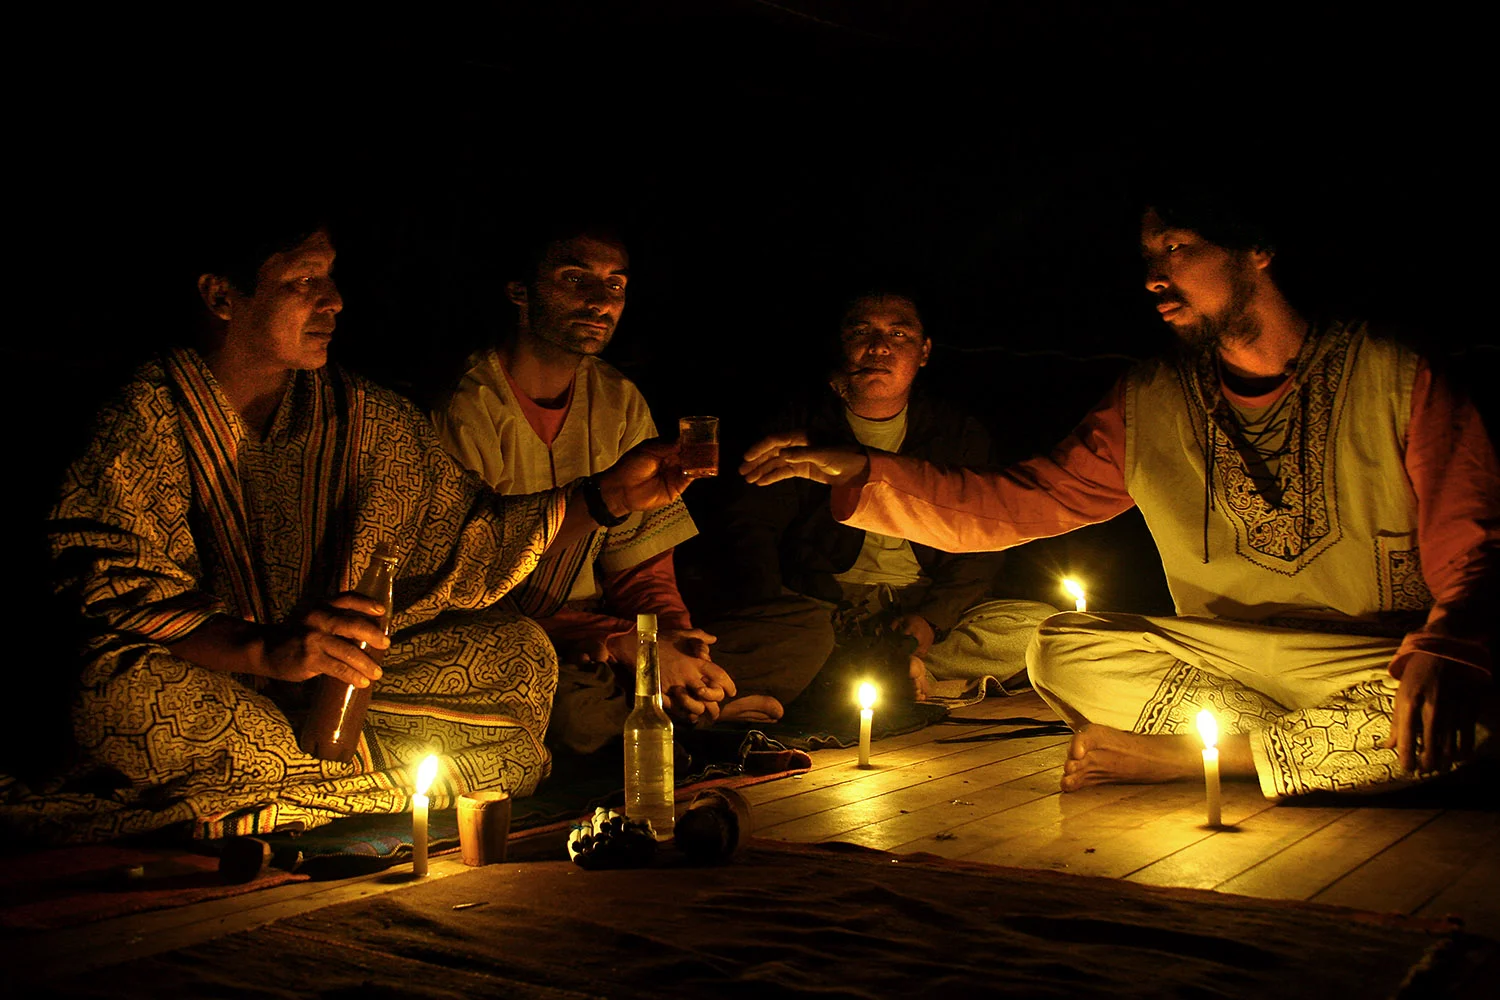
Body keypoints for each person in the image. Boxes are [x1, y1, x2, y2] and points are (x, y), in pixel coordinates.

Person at [742, 191, 1498, 798]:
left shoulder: (1396, 374)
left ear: (1255, 251)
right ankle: (1334, 746)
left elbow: (1475, 544)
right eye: (1147, 257)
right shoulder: (1152, 399)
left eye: (1176, 248)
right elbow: (1018, 503)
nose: (1153, 276)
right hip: (1226, 659)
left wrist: (1450, 645)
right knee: (1062, 646)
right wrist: (860, 472)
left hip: (1370, 657)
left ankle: (1200, 757)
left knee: (1487, 690)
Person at [5, 208, 691, 843]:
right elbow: (110, 587)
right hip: (216, 687)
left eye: (331, 279)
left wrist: (603, 499)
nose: (332, 301)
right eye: (303, 282)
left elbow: (470, 534)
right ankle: (381, 787)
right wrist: (267, 652)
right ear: (221, 297)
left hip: (341, 694)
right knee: (112, 696)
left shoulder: (365, 417)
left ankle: (268, 794)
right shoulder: (145, 414)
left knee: (520, 654)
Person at [434, 222, 793, 755]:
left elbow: (642, 562)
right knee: (566, 709)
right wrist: (629, 643)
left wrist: (675, 639)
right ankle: (691, 712)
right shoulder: (466, 408)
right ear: (520, 292)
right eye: (575, 279)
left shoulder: (619, 400)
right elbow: (460, 587)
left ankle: (675, 700)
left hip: (611, 639)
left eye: (616, 285)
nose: (601, 300)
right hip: (516, 633)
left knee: (803, 629)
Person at [718, 290, 1055, 702]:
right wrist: (773, 612)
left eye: (899, 334)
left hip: (920, 602)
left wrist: (932, 620)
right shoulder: (798, 425)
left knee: (1039, 627)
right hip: (826, 604)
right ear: (840, 342)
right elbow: (751, 526)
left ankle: (880, 669)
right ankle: (884, 671)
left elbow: (985, 538)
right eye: (862, 331)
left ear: (924, 352)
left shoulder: (956, 432)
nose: (879, 348)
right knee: (798, 636)